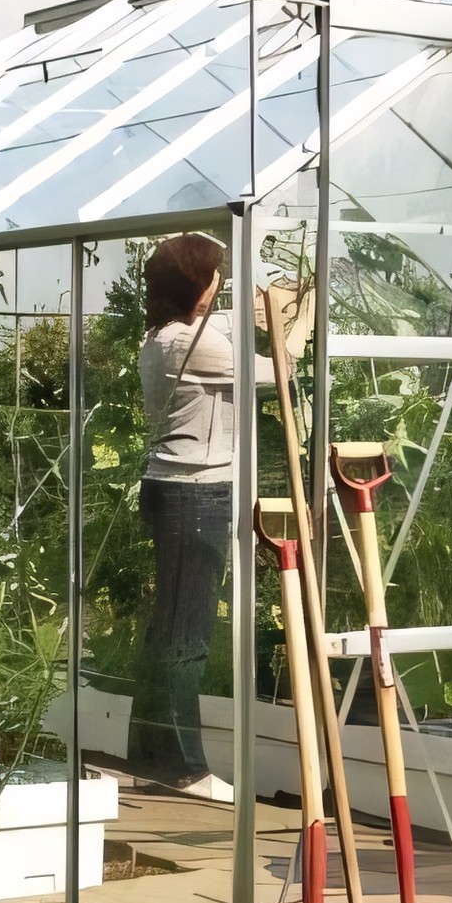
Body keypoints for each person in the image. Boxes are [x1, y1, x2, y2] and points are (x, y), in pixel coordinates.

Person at [133, 234, 307, 801]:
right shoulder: (191, 344)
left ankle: (151, 755)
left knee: (167, 631)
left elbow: (226, 325)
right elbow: (281, 368)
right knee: (187, 638)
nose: (220, 284)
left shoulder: (164, 335)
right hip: (195, 496)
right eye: (215, 276)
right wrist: (298, 315)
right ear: (196, 284)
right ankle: (184, 771)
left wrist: (262, 303)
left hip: (174, 490)